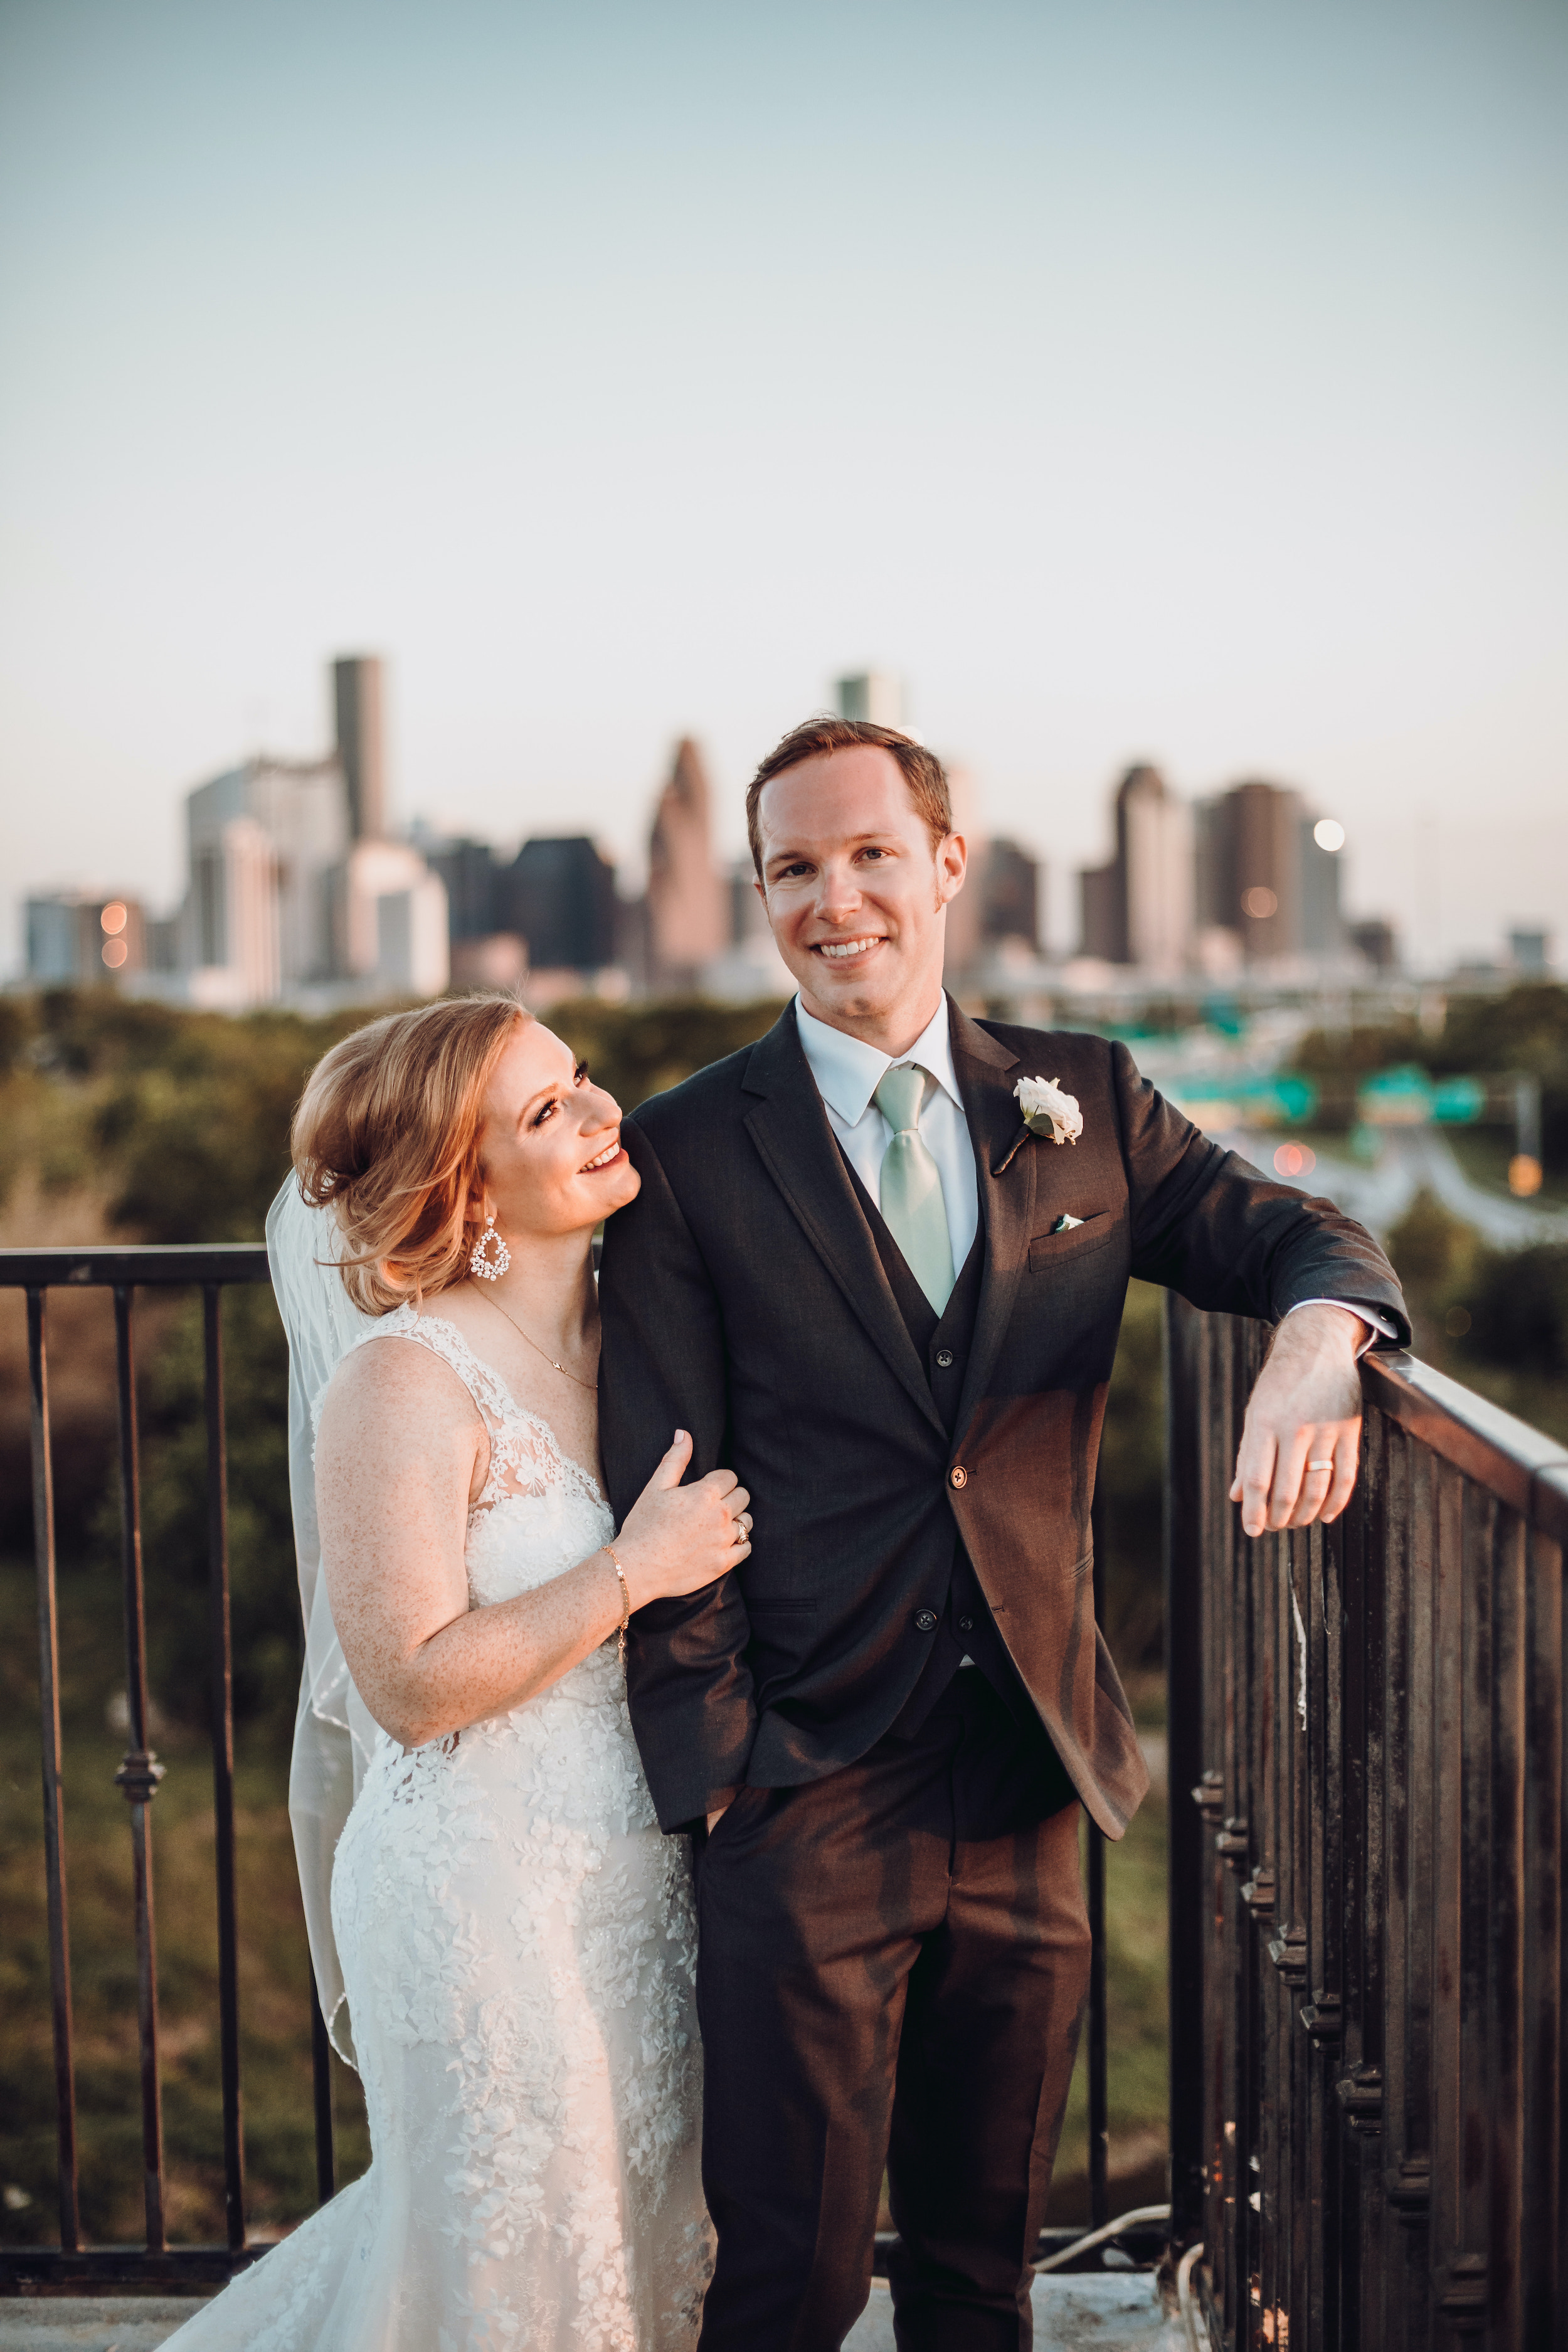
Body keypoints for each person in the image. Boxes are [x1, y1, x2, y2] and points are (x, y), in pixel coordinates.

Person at [597, 716, 1409, 2351]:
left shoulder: (1085, 1097)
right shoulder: (687, 1150)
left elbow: (1298, 1235)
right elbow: (659, 1468)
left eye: (869, 853)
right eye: (792, 869)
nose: (835, 900)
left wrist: (1318, 1346)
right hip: (803, 1787)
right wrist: (728, 1782)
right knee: (788, 2280)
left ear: (946, 862)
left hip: (1028, 1772)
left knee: (980, 2276)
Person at [166, 995, 739, 2352]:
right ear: (460, 1185)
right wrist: (631, 1571)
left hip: (639, 1888)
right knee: (514, 2268)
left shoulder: (633, 1332)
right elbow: (409, 1685)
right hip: (479, 1899)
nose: (605, 1113)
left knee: (633, 2249)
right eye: (548, 1112)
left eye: (583, 1079)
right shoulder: (400, 1384)